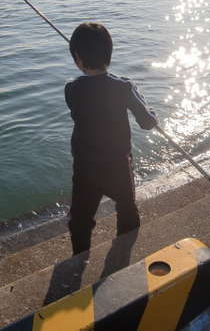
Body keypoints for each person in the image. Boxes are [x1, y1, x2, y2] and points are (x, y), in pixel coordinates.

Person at [65, 22, 158, 254]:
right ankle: (123, 251)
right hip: (117, 165)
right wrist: (138, 95)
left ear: (78, 59)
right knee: (126, 208)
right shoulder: (124, 87)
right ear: (109, 53)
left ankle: (79, 258)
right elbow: (147, 123)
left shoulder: (71, 89)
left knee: (80, 219)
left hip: (85, 168)